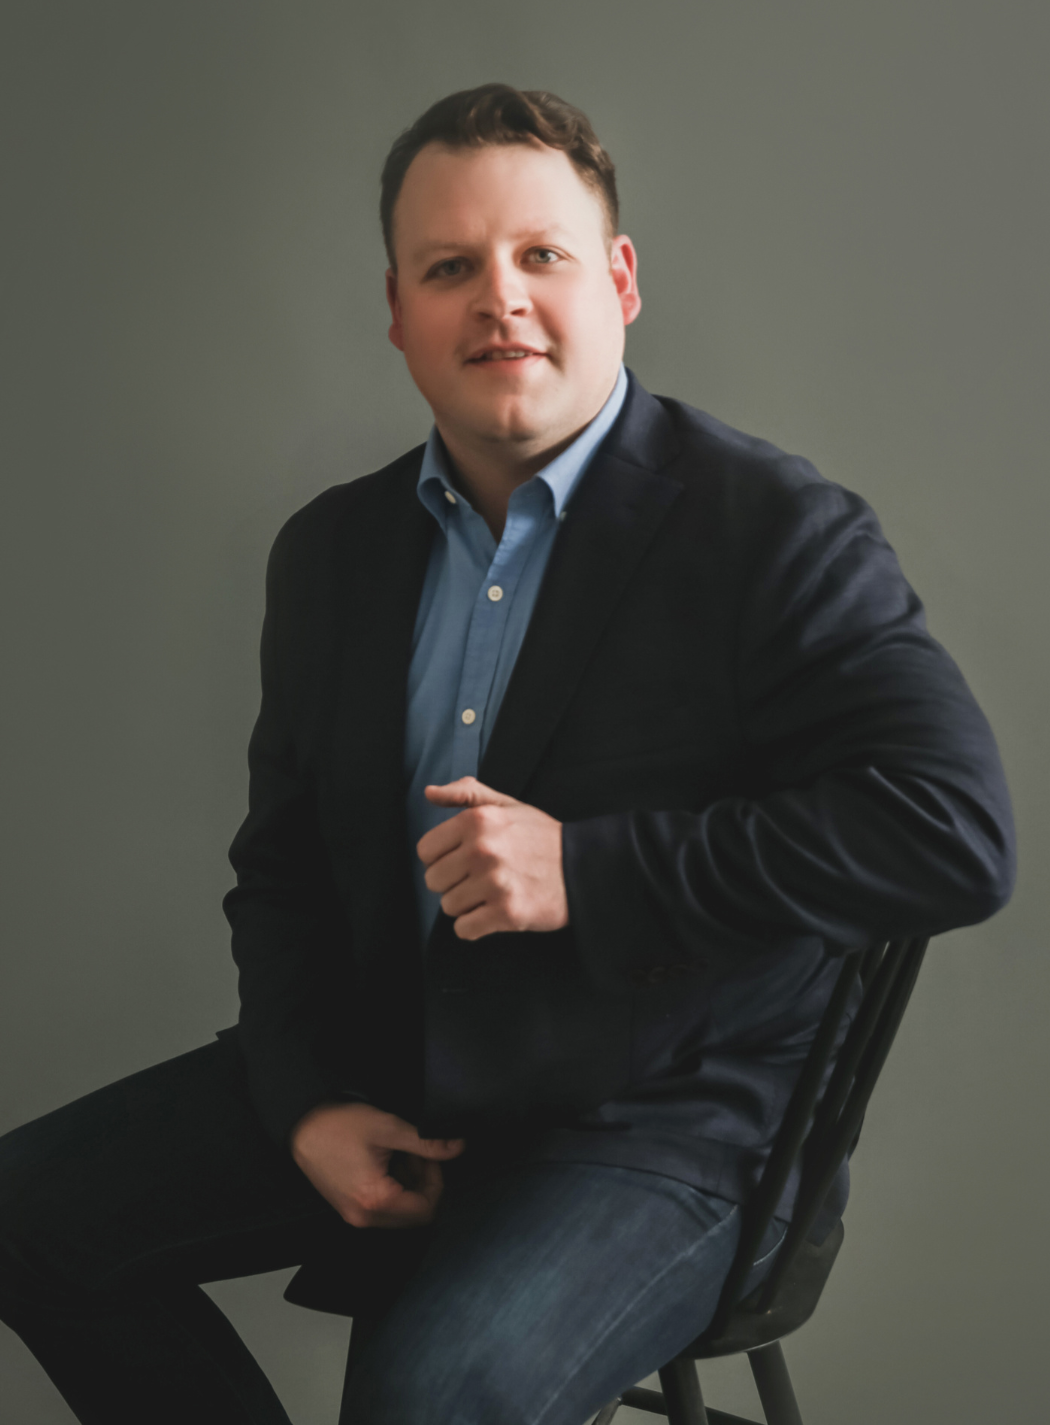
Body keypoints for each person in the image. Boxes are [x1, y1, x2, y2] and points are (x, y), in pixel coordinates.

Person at [0, 84, 1015, 1425]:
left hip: (667, 1125)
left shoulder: (772, 528)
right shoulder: (332, 555)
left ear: (619, 279)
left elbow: (951, 833)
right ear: (396, 312)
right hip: (398, 1067)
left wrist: (585, 872)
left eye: (539, 254)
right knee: (27, 1218)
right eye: (448, 268)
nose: (499, 299)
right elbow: (284, 873)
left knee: (435, 1393)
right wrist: (304, 1100)